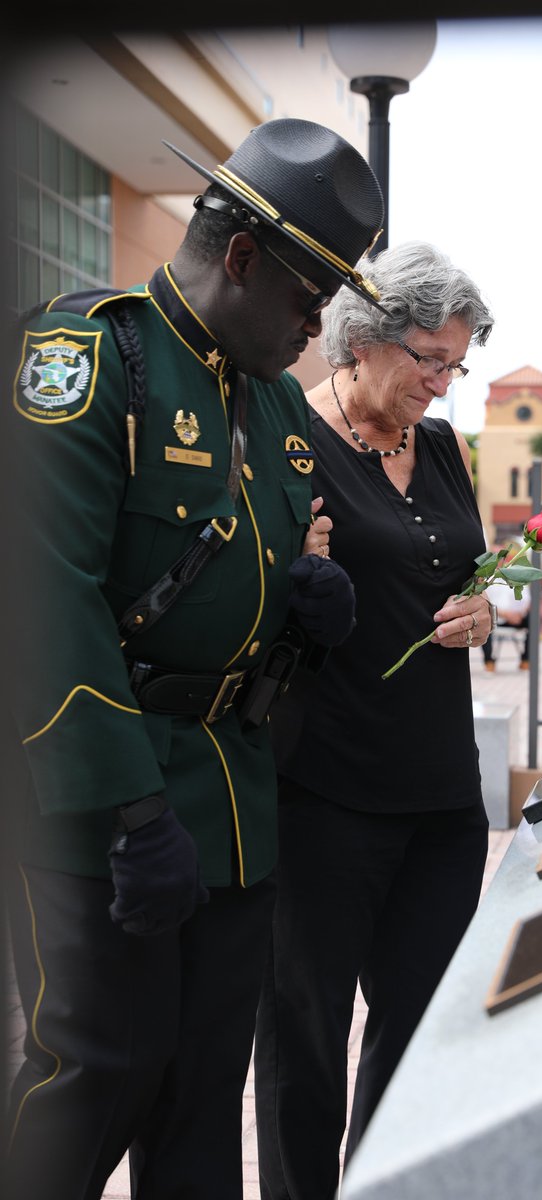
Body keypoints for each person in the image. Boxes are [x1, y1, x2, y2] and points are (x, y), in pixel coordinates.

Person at [4, 118, 385, 1200]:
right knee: (94, 1072)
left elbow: (244, 584)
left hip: (229, 802)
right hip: (98, 803)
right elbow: (43, 598)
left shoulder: (269, 406)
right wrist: (129, 814)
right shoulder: (91, 356)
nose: (315, 331)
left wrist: (304, 617)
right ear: (241, 256)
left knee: (202, 1092)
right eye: (309, 303)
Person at [254, 241, 495, 1200]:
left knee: (418, 1033)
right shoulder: (286, 440)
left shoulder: (441, 445)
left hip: (441, 797)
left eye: (456, 363)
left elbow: (456, 576)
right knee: (304, 1044)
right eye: (427, 359)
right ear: (360, 339)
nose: (441, 383)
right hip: (325, 793)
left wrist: (482, 612)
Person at [481, 544, 531, 671]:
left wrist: (520, 613)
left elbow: (527, 599)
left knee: (533, 620)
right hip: (496, 617)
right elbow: (485, 603)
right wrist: (506, 614)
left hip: (517, 617)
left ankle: (526, 659)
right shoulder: (485, 578)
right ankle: (489, 661)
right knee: (484, 620)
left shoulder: (515, 574)